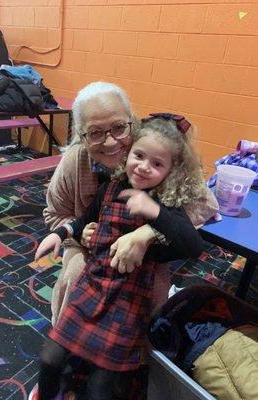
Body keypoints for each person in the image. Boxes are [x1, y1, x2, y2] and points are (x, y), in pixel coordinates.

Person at [34, 115, 206, 400]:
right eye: (139, 155)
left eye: (157, 164)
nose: (144, 167)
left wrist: (154, 212)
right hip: (92, 287)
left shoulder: (165, 205)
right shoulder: (109, 189)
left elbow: (193, 245)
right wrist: (61, 234)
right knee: (49, 359)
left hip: (127, 301)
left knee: (100, 388)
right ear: (128, 153)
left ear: (170, 171)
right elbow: (83, 220)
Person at [43, 82, 219, 327]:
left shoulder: (153, 150)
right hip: (90, 245)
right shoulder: (74, 161)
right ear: (80, 136)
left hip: (147, 253)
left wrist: (147, 233)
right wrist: (79, 234)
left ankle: (138, 351)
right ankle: (67, 336)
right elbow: (55, 212)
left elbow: (205, 203)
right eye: (95, 132)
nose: (110, 142)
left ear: (132, 123)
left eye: (118, 128)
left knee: (153, 289)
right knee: (76, 273)